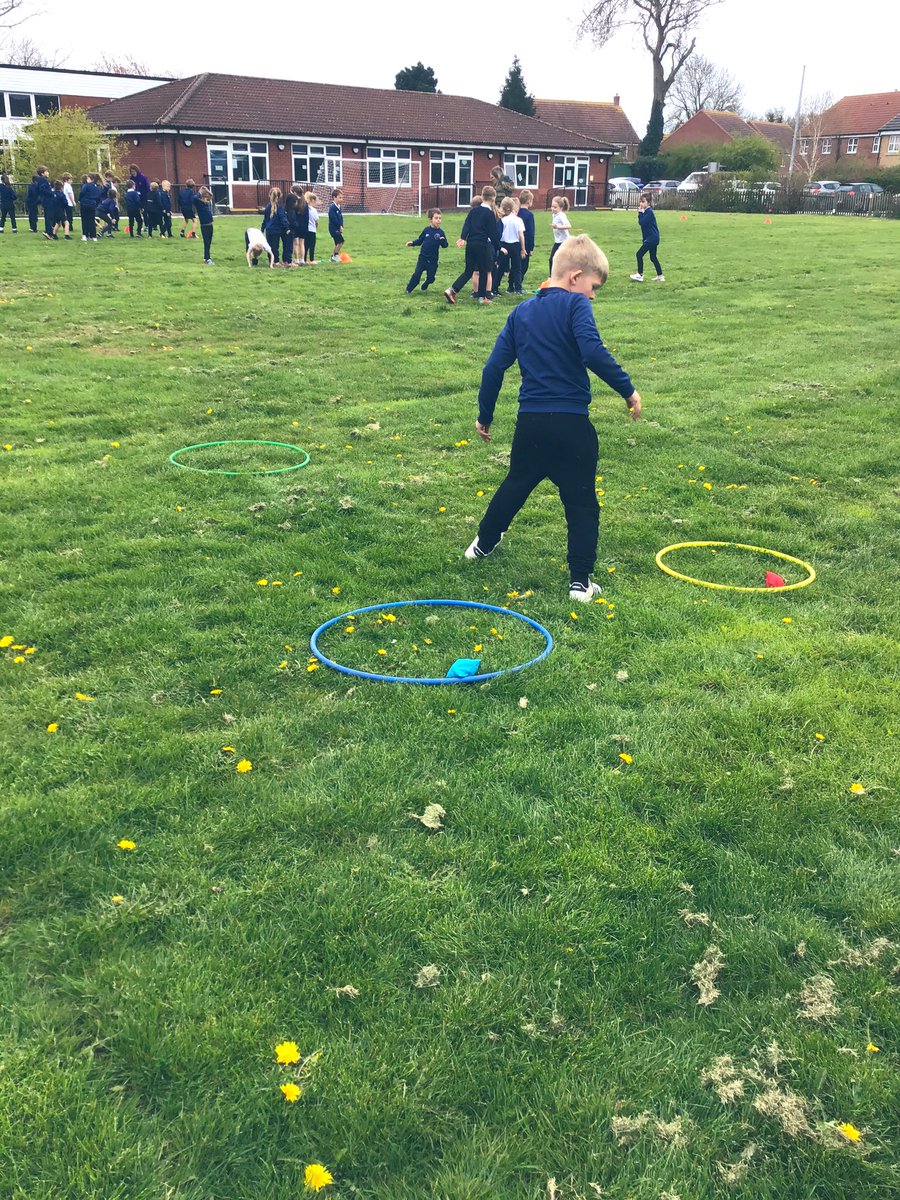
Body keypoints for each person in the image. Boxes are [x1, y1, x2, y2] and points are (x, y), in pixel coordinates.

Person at [464, 234, 642, 603]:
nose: (593, 296)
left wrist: (485, 415)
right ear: (576, 277)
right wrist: (628, 390)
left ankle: (481, 544)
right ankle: (580, 582)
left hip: (531, 425)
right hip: (572, 425)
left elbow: (494, 368)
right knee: (581, 502)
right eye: (594, 287)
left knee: (516, 484)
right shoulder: (576, 305)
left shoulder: (521, 312)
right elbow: (592, 351)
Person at [444, 185, 499, 305]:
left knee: (468, 271)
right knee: (484, 271)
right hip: (482, 245)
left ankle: (451, 290)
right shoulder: (489, 213)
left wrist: (463, 238)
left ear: (482, 196)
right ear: (493, 197)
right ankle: (482, 297)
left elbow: (467, 225)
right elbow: (493, 233)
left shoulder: (473, 211)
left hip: (471, 244)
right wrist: (499, 247)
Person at [405, 208, 449, 293]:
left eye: (440, 218)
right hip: (423, 258)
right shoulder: (426, 230)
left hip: (433, 259)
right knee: (417, 274)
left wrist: (442, 241)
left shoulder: (441, 232)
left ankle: (427, 282)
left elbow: (445, 245)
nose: (438, 220)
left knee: (431, 278)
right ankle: (408, 289)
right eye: (436, 218)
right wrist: (412, 243)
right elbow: (420, 240)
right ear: (430, 220)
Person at [630, 195, 664, 282]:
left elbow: (642, 223)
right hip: (652, 237)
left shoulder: (649, 212)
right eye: (640, 201)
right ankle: (660, 276)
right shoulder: (646, 212)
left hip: (652, 238)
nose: (641, 204)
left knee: (639, 254)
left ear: (648, 203)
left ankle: (640, 275)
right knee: (653, 257)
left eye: (643, 202)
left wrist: (640, 213)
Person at [498, 196, 526, 295]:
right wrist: (523, 249)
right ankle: (518, 288)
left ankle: (495, 287)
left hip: (504, 245)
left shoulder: (502, 220)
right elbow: (521, 235)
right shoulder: (518, 220)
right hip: (515, 245)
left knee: (501, 267)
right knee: (517, 268)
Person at [262, 187, 289, 265]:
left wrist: (262, 228)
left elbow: (265, 219)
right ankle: (276, 261)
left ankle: (271, 260)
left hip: (268, 229)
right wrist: (287, 227)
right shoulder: (279, 208)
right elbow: (282, 218)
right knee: (275, 246)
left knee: (269, 246)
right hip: (276, 230)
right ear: (279, 197)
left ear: (269, 195)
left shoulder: (267, 207)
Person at [549, 195, 571, 276]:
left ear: (561, 208)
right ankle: (553, 276)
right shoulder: (554, 215)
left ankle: (553, 276)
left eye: (555, 207)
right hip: (558, 241)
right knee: (553, 259)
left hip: (564, 241)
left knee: (553, 259)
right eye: (552, 206)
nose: (553, 208)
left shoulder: (561, 215)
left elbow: (569, 226)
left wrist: (558, 227)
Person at [193, 185, 215, 264]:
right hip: (204, 225)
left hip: (210, 224)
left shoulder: (205, 203)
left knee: (209, 242)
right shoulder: (198, 202)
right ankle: (207, 258)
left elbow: (211, 195)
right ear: (203, 197)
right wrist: (200, 192)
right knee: (206, 242)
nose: (207, 200)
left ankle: (206, 257)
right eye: (206, 198)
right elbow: (194, 197)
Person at [518, 189, 535, 284]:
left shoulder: (517, 212)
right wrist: (531, 248)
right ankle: (518, 283)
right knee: (524, 265)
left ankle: (512, 283)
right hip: (526, 243)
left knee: (516, 264)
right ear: (529, 201)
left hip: (516, 242)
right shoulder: (529, 215)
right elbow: (531, 232)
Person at [79, 173, 102, 241]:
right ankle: (93, 236)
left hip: (84, 204)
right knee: (91, 220)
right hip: (92, 204)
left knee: (84, 220)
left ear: (90, 179)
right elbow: (98, 196)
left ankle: (85, 235)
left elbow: (82, 193)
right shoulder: (96, 187)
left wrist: (80, 200)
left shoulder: (86, 185)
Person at [290, 186, 308, 264]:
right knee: (302, 243)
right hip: (303, 225)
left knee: (295, 243)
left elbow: (292, 215)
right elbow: (307, 216)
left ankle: (296, 259)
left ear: (294, 193)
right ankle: (302, 259)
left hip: (296, 225)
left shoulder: (294, 202)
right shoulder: (305, 203)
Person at [328, 188, 344, 261]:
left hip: (338, 228)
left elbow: (341, 217)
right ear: (334, 197)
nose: (341, 199)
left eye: (342, 198)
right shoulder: (332, 207)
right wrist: (339, 226)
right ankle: (335, 255)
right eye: (339, 197)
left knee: (337, 242)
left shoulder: (339, 207)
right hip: (333, 228)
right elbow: (333, 219)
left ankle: (333, 257)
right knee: (341, 241)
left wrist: (342, 225)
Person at [304, 192, 319, 262]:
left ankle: (304, 259)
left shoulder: (305, 209)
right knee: (312, 246)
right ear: (312, 200)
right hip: (312, 230)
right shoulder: (314, 210)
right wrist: (316, 226)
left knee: (305, 246)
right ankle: (311, 260)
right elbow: (316, 221)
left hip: (305, 229)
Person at [61, 173, 76, 238]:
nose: (71, 181)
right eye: (70, 180)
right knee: (69, 216)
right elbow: (70, 194)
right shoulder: (68, 186)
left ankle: (66, 226)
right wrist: (73, 202)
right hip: (69, 203)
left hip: (65, 203)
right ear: (66, 180)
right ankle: (69, 227)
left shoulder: (63, 186)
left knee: (66, 215)